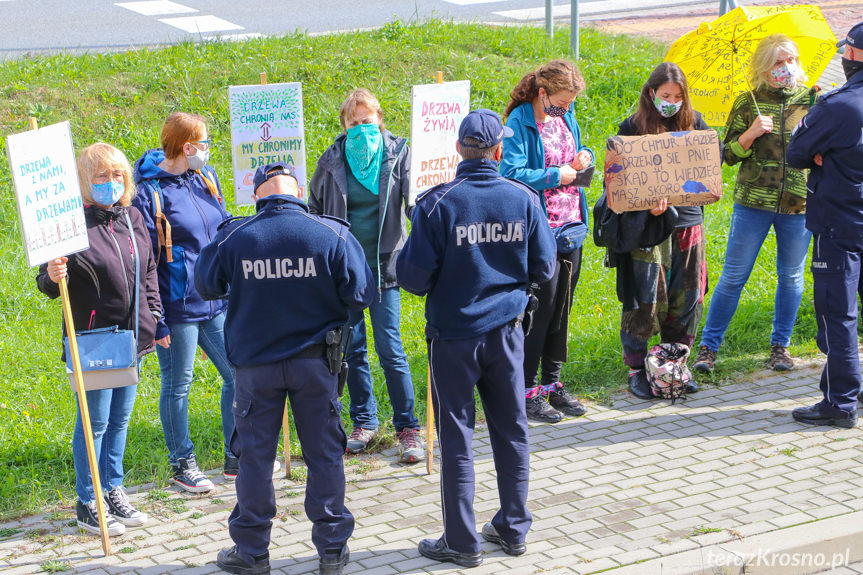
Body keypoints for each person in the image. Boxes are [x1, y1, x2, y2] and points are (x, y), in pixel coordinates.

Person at [196, 162, 373, 575]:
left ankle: (252, 552)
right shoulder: (332, 232)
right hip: (317, 365)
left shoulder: (235, 235)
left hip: (255, 369)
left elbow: (205, 286)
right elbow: (361, 293)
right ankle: (331, 551)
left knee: (255, 460)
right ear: (298, 193)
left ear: (258, 195)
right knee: (325, 455)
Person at [397, 109, 556, 568]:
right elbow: (545, 269)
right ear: (500, 151)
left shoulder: (435, 204)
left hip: (453, 338)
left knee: (457, 438)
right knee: (512, 431)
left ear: (458, 150)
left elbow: (412, 279)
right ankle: (513, 527)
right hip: (507, 335)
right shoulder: (523, 198)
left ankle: (462, 543)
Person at [37, 143, 160, 536]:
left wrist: (154, 316)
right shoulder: (70, 224)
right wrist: (54, 274)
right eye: (102, 176)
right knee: (95, 423)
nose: (112, 182)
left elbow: (150, 270)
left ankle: (113, 490)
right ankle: (88, 501)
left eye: (118, 175)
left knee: (120, 419)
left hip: (133, 338)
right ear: (86, 183)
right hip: (94, 341)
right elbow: (47, 284)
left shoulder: (133, 217)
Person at [308, 89, 423, 462]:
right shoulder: (330, 163)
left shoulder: (399, 154)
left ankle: (408, 428)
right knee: (352, 349)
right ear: (344, 125)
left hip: (387, 265)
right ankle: (365, 422)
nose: (361, 129)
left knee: (391, 348)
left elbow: (416, 206)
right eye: (354, 123)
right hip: (346, 272)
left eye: (367, 121)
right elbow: (316, 214)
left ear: (380, 120)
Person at [693, 35, 817, 374]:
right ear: (764, 66)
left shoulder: (812, 100)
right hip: (753, 203)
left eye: (790, 59)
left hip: (799, 204)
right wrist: (750, 133)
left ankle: (781, 345)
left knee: (791, 276)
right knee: (733, 277)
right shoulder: (748, 102)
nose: (785, 67)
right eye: (778, 62)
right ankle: (708, 347)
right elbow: (728, 155)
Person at [132, 112, 238, 492]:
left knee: (238, 375)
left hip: (215, 301)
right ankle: (183, 463)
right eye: (204, 143)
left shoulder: (205, 178)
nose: (208, 149)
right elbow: (145, 260)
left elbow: (223, 227)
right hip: (176, 309)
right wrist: (155, 317)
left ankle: (236, 456)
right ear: (187, 147)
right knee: (179, 385)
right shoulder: (147, 192)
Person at [612, 62, 719, 400]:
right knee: (645, 299)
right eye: (665, 95)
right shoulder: (631, 127)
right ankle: (637, 367)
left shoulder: (696, 123)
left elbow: (708, 172)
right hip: (647, 230)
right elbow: (617, 182)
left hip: (688, 223)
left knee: (686, 298)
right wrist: (647, 204)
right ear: (651, 93)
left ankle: (673, 365)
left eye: (678, 96)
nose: (671, 101)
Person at [500, 60, 593, 423]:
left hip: (572, 226)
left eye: (571, 104)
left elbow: (578, 155)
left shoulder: (565, 117)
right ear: (543, 93)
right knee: (539, 312)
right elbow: (510, 173)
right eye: (562, 102)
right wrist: (559, 174)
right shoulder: (519, 123)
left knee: (561, 312)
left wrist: (584, 158)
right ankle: (527, 388)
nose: (567, 109)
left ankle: (552, 384)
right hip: (541, 232)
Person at [786, 22, 863, 429]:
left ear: (851, 57)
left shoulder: (837, 106)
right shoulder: (839, 104)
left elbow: (797, 153)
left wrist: (824, 153)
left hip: (840, 223)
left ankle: (840, 402)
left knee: (838, 315)